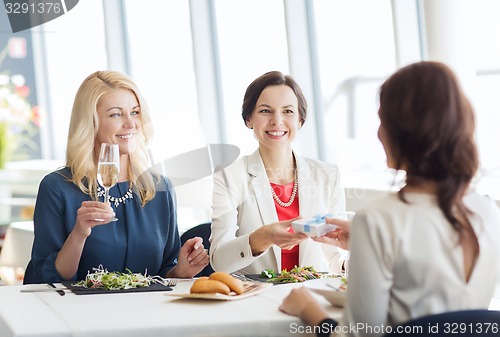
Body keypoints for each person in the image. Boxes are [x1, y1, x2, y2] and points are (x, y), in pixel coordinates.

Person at [279, 61, 500, 336]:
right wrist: (365, 244)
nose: (378, 133)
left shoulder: (378, 219)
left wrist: (308, 309)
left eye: (382, 120)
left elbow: (359, 335)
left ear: (405, 132)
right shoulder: (489, 212)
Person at [25, 70, 209, 284]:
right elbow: (44, 278)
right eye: (115, 114)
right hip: (81, 313)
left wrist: (181, 271)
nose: (131, 124)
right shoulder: (57, 188)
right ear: (91, 122)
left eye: (135, 112)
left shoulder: (159, 187)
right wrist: (79, 234)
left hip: (149, 313)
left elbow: (164, 271)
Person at [210, 71, 345, 275]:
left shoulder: (328, 176)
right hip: (256, 300)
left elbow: (335, 256)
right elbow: (219, 261)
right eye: (266, 111)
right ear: (249, 119)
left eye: (288, 111)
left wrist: (352, 266)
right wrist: (261, 238)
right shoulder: (229, 177)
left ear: (300, 120)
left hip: (311, 297)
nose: (277, 121)